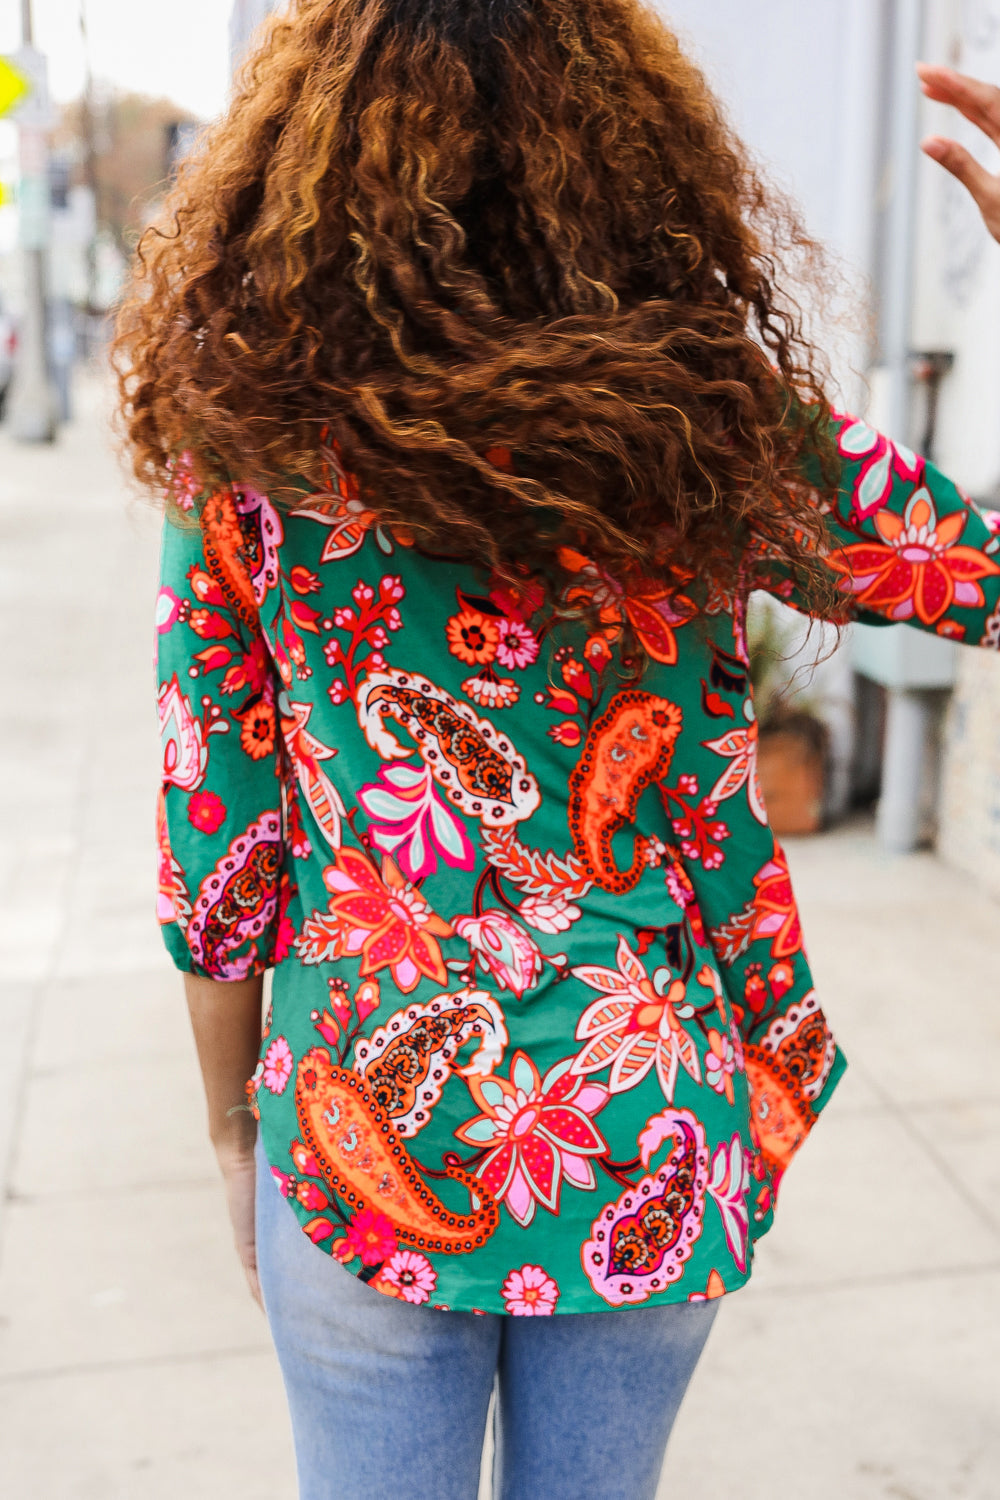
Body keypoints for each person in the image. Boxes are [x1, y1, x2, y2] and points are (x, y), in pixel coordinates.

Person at [114, 4, 1000, 1494]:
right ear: (629, 151)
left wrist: (229, 1123)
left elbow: (222, 847)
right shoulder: (705, 416)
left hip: (357, 1128)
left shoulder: (252, 432)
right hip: (648, 1120)